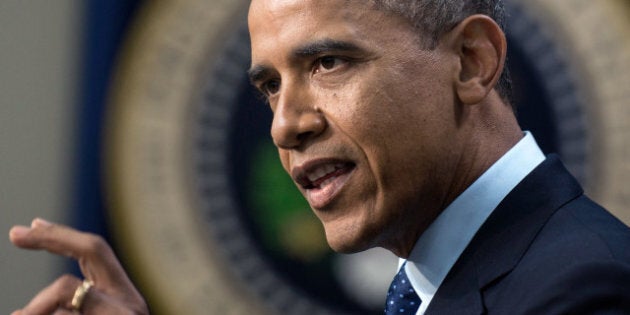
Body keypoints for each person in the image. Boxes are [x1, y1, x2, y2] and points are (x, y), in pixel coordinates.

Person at [10, 0, 630, 314]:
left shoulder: (585, 291)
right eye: (271, 86)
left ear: (472, 61)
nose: (285, 126)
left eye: (328, 63)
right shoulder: (436, 284)